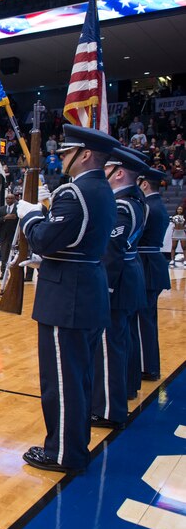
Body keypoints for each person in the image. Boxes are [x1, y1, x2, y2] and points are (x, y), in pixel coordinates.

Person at [17, 125, 119, 473]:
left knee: (61, 380)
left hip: (66, 297)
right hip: (84, 286)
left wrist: (29, 215)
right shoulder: (103, 190)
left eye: (66, 151)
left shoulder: (75, 193)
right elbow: (78, 241)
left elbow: (45, 238)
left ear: (85, 154)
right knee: (78, 376)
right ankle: (74, 445)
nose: (60, 156)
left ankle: (63, 452)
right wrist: (48, 257)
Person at [91, 147, 147, 427]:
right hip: (128, 277)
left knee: (109, 347)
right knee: (119, 343)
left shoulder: (123, 205)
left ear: (119, 172)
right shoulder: (135, 200)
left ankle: (108, 410)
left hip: (117, 282)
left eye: (108, 167)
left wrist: (105, 289)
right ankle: (122, 393)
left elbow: (111, 251)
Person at [133, 167, 171, 382]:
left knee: (142, 320)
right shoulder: (157, 205)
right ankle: (150, 364)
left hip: (146, 264)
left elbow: (135, 235)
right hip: (153, 263)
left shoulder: (148, 207)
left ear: (145, 184)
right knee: (147, 319)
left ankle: (147, 367)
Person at [0, 192, 19, 277]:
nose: (8, 200)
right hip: (4, 236)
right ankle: (3, 273)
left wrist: (15, 217)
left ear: (14, 199)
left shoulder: (18, 209)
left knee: (15, 256)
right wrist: (4, 218)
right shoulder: (1, 209)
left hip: (14, 236)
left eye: (10, 198)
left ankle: (14, 274)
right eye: (7, 198)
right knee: (4, 256)